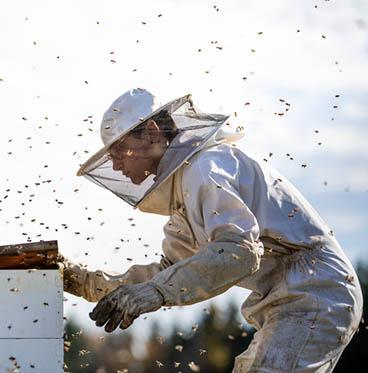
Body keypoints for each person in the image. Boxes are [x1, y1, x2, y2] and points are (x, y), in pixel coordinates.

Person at [62, 88, 363, 372]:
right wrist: (87, 283)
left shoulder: (207, 166)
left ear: (152, 132)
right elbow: (172, 271)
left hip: (316, 292)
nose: (115, 166)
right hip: (286, 301)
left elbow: (238, 251)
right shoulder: (185, 195)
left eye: (119, 150)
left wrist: (156, 291)